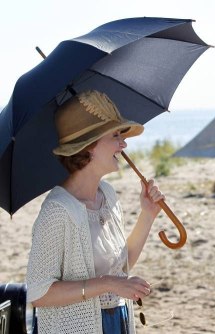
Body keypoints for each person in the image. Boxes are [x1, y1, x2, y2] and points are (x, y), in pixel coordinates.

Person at [26, 90, 166, 334]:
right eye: (115, 135)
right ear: (88, 146)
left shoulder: (108, 194)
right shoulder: (57, 211)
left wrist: (148, 214)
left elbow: (120, 266)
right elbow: (39, 293)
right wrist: (107, 285)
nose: (123, 144)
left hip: (116, 323)